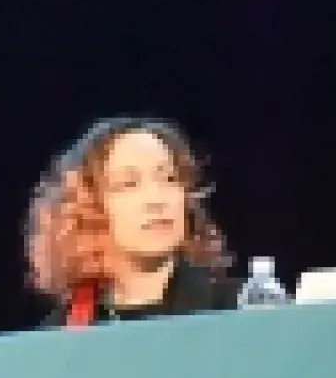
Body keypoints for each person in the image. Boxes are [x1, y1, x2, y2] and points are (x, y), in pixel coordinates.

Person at [25, 117, 237, 328]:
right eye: (128, 184)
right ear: (88, 208)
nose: (156, 199)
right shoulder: (62, 334)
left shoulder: (237, 310)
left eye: (169, 178)